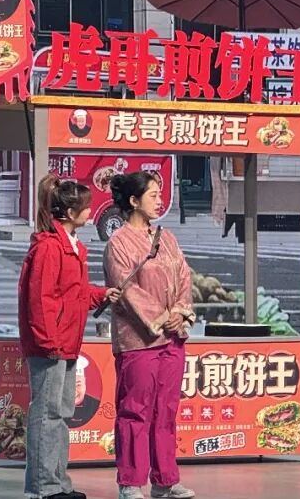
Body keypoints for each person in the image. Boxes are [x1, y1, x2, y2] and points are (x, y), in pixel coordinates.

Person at [18, 174, 122, 499]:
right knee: (47, 414)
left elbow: (71, 294)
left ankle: (57, 483)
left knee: (60, 414)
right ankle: (42, 487)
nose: (91, 212)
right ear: (69, 212)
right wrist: (49, 342)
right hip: (51, 346)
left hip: (64, 344)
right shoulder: (50, 248)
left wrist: (101, 294)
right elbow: (39, 301)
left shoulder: (69, 247)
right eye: (86, 207)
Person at [104, 171, 196, 499]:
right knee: (135, 410)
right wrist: (162, 318)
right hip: (138, 340)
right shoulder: (118, 243)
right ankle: (130, 482)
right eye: (153, 195)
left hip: (172, 339)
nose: (159, 201)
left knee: (166, 410)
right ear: (133, 201)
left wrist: (180, 312)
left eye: (160, 195)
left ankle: (165, 479)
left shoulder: (166, 237)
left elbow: (184, 275)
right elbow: (128, 291)